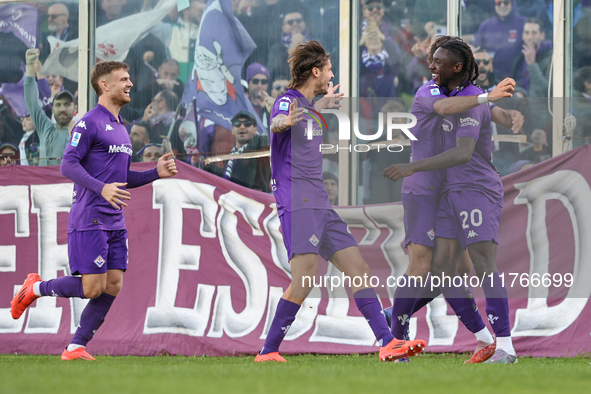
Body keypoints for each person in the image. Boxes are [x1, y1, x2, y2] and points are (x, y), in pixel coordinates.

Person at [256, 40, 427, 363]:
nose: (332, 75)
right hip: (299, 202)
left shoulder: (309, 108)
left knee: (359, 269)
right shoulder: (287, 101)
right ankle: (268, 350)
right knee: (304, 281)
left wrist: (321, 106)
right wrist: (284, 122)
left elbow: (304, 116)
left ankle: (387, 342)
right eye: (330, 69)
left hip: (320, 203)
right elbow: (278, 121)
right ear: (316, 71)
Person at [10, 60, 178, 361]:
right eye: (123, 79)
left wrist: (155, 172)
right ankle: (35, 288)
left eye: (129, 78)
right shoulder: (89, 122)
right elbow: (67, 164)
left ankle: (76, 346)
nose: (129, 84)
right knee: (92, 287)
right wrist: (101, 188)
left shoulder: (121, 128)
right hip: (90, 217)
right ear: (105, 85)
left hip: (115, 220)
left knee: (112, 284)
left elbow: (123, 180)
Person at [383, 36, 523, 364]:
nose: (431, 66)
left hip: (473, 188)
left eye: (439, 61)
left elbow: (463, 151)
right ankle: (401, 321)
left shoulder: (470, 96)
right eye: (431, 59)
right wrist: (498, 108)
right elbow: (456, 106)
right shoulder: (443, 93)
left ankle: (505, 347)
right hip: (440, 191)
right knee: (443, 268)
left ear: (457, 67)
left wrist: (505, 113)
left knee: (479, 265)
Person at [24, 48, 76, 166]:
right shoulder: (45, 127)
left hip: (68, 184)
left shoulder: (81, 132)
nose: (62, 109)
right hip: (43, 184)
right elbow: (31, 101)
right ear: (52, 109)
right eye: (58, 105)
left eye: (67, 104)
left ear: (75, 108)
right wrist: (29, 64)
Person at [205, 111, 271, 192]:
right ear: (232, 130)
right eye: (237, 123)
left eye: (247, 123)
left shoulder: (259, 143)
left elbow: (272, 142)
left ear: (255, 130)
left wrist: (269, 116)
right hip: (230, 200)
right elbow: (225, 179)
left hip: (253, 200)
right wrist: (203, 164)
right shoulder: (230, 157)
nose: (242, 127)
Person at [472, 0, 526, 81]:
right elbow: (476, 50)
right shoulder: (486, 25)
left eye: (506, 2)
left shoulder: (523, 23)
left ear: (512, 4)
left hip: (518, 78)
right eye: (498, 2)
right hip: (491, 79)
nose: (502, 5)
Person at [512, 18, 552, 96]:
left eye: (534, 33)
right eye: (527, 33)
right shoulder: (519, 58)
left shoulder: (551, 58)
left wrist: (532, 64)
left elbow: (546, 90)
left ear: (542, 35)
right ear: (523, 36)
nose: (530, 37)